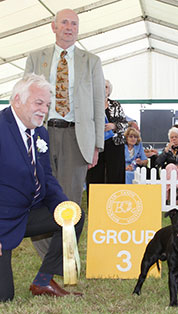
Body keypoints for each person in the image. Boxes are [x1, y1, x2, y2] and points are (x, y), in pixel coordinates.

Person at [24, 8, 105, 257]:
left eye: (74, 24)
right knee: (36, 196)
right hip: (41, 134)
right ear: (54, 26)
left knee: (69, 201)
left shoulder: (91, 61)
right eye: (65, 23)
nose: (70, 28)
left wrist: (96, 145)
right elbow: (25, 98)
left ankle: (65, 258)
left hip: (76, 137)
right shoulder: (36, 58)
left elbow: (97, 102)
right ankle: (48, 257)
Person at [0, 74, 85, 302]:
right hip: (2, 220)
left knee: (74, 216)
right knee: (4, 297)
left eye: (47, 105)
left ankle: (43, 280)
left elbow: (46, 177)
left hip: (28, 211)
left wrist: (63, 206)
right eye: (38, 103)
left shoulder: (41, 133)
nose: (44, 110)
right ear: (17, 100)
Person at [86, 80, 128, 200]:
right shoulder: (90, 104)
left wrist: (114, 126)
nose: (103, 89)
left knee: (115, 175)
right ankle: (95, 204)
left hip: (114, 144)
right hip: (95, 144)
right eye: (100, 86)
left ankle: (116, 202)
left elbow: (125, 124)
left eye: (105, 87)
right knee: (94, 175)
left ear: (109, 90)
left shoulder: (115, 105)